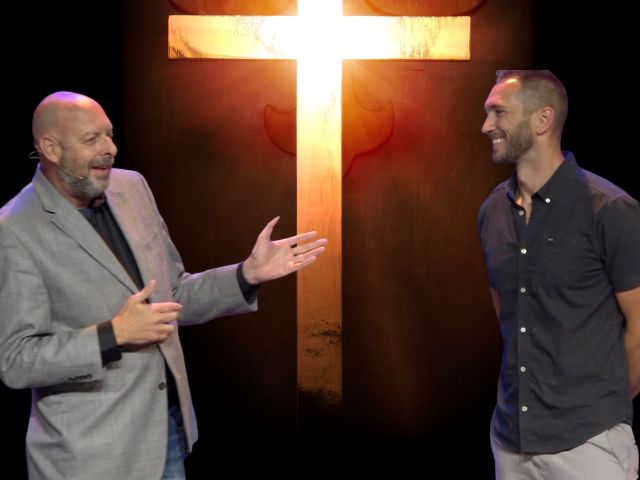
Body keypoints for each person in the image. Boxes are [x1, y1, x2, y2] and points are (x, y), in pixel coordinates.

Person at [0, 91, 327, 479]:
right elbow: (16, 361)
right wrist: (113, 335)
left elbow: (175, 293)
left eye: (109, 134)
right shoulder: (15, 228)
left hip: (167, 435)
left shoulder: (131, 187)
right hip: (91, 457)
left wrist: (246, 274)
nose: (110, 149)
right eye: (91, 139)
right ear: (51, 148)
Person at [477, 69, 640, 479]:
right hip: (511, 443)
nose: (486, 126)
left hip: (589, 442)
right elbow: (508, 314)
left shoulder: (608, 209)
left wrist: (600, 407)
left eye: (499, 112)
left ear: (543, 119)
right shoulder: (492, 212)